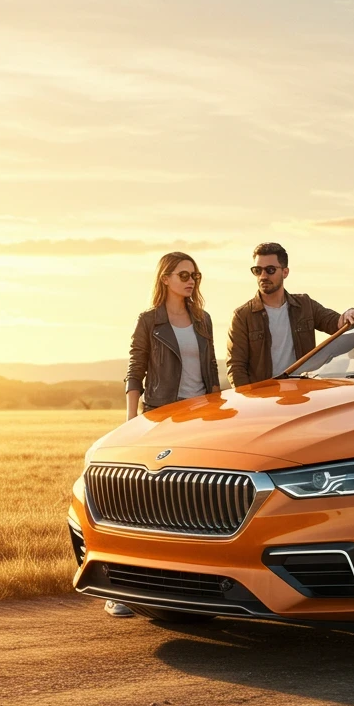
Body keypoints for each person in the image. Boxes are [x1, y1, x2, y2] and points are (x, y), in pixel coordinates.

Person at [115, 251, 221, 617]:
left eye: (194, 275)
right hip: (161, 417)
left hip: (201, 420)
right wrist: (132, 422)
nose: (190, 281)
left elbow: (211, 372)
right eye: (183, 275)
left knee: (195, 505)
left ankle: (195, 585)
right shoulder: (150, 321)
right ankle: (123, 589)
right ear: (165, 279)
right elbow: (135, 369)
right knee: (145, 504)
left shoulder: (203, 320)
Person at [226, 243, 354, 387]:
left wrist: (350, 312)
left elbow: (335, 323)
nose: (263, 276)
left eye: (270, 270)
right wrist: (248, 401)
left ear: (285, 272)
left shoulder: (304, 305)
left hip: (302, 393)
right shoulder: (242, 316)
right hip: (265, 399)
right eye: (257, 270)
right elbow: (236, 367)